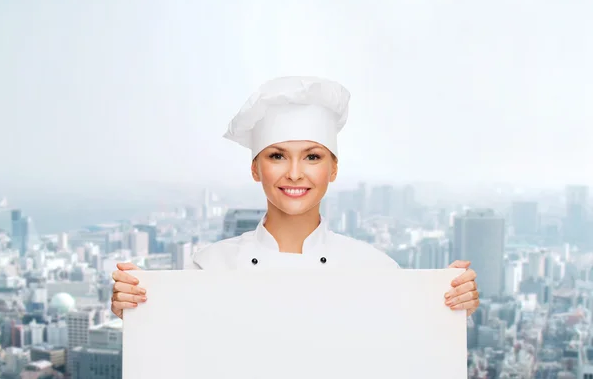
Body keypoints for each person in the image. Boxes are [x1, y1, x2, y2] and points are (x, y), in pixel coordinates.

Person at [111, 76, 480, 320]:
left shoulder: (376, 269)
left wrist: (446, 302)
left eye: (313, 157)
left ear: (333, 170)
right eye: (276, 156)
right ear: (256, 169)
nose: (294, 173)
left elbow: (407, 353)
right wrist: (140, 303)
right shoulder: (209, 267)